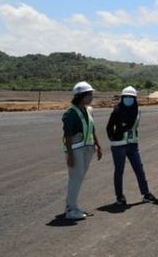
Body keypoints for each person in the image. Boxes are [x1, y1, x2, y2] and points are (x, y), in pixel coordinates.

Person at [106, 86, 158, 205]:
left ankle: (146, 194)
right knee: (119, 171)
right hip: (118, 145)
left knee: (139, 169)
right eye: (126, 97)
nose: (128, 99)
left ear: (135, 99)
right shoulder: (117, 110)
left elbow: (135, 128)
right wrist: (113, 138)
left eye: (131, 97)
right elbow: (109, 127)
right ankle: (119, 196)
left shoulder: (137, 110)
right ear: (122, 98)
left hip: (132, 145)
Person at [61, 81, 102, 220]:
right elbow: (67, 136)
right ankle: (71, 210)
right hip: (76, 150)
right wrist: (70, 156)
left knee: (78, 179)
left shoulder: (89, 110)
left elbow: (92, 128)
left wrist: (98, 145)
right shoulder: (71, 114)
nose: (91, 97)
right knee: (76, 179)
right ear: (81, 96)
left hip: (87, 149)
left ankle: (72, 205)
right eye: (89, 94)